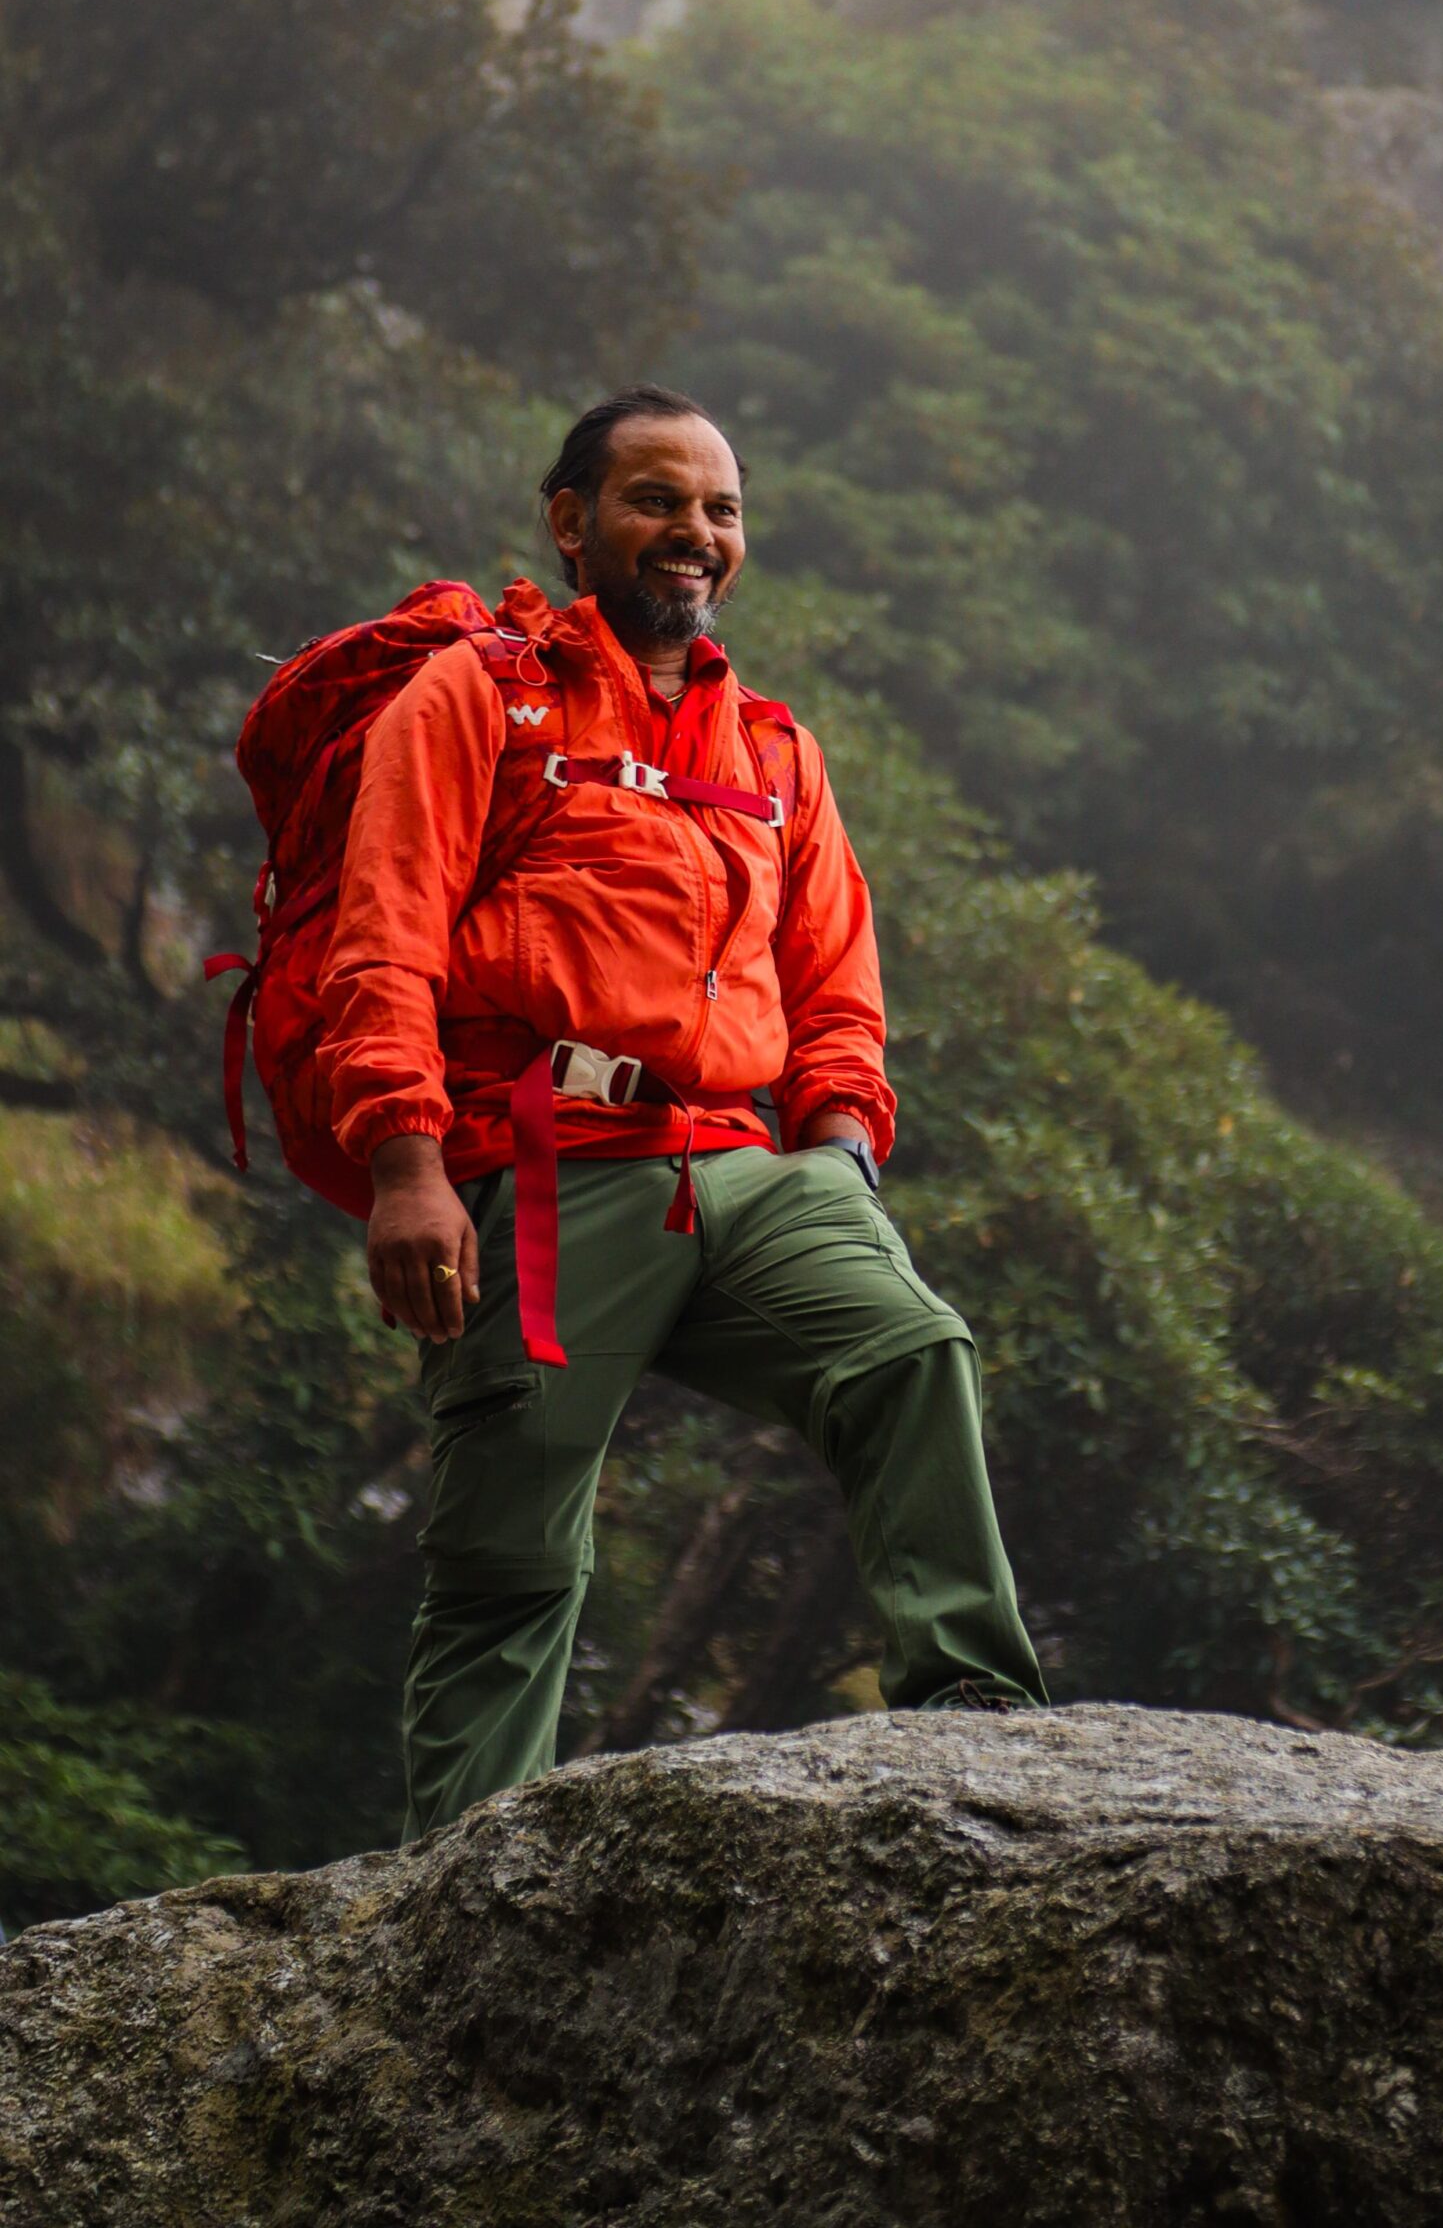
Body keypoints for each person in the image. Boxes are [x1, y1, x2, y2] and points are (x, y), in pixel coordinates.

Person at [319, 383, 1047, 1837]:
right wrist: (408, 1166)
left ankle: (978, 1715)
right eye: (657, 501)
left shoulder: (771, 750)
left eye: (720, 509)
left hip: (745, 1166)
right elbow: (383, 937)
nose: (693, 534)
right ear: (573, 522)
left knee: (910, 1350)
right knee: (514, 1560)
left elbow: (838, 989)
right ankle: (459, 1877)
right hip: (547, 1167)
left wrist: (839, 1155)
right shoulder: (478, 700)